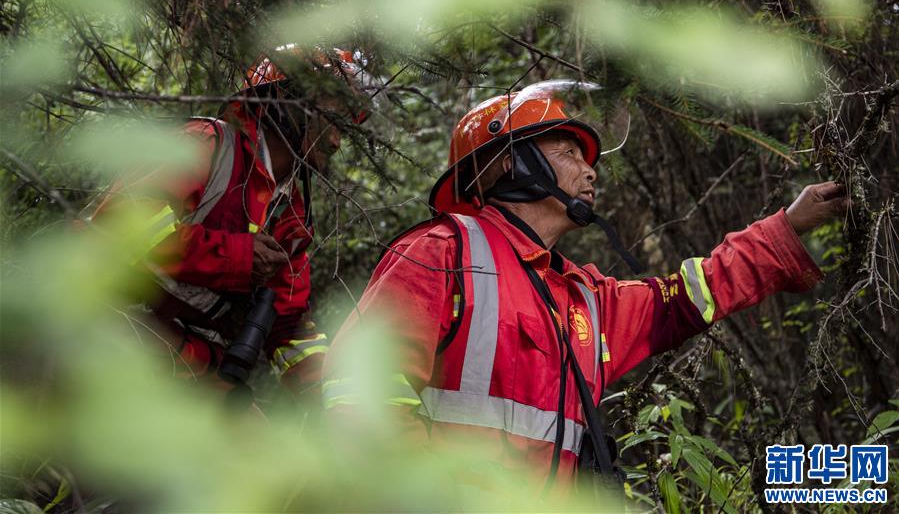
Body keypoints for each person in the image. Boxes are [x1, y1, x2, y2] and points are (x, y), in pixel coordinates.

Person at [321, 81, 847, 493]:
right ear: (511, 162)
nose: (590, 171)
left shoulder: (581, 298)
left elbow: (691, 294)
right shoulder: (440, 254)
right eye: (568, 152)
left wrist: (789, 226)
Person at [90, 47, 372, 397]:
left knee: (258, 441)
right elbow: (119, 228)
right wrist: (238, 258)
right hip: (111, 335)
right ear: (287, 102)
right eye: (334, 118)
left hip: (195, 370)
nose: (336, 140)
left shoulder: (291, 214)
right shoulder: (205, 145)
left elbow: (286, 325)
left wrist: (333, 394)